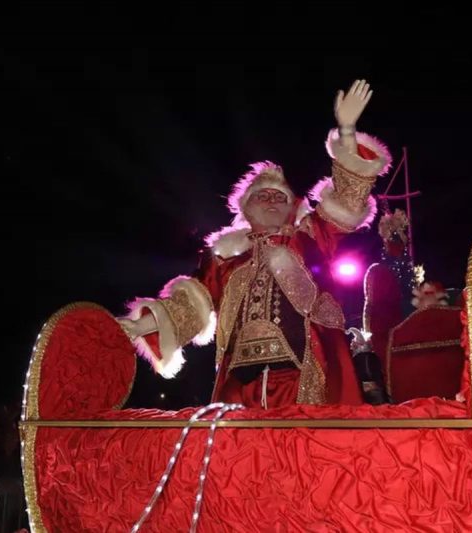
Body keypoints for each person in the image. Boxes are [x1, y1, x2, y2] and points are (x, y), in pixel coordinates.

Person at [118, 79, 392, 408]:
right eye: (262, 196)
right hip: (241, 387)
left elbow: (348, 202)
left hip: (306, 376)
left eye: (280, 196)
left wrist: (347, 131)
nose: (272, 200)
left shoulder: (312, 234)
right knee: (241, 457)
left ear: (292, 205)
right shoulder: (226, 258)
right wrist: (140, 325)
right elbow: (190, 306)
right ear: (246, 207)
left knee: (308, 455)